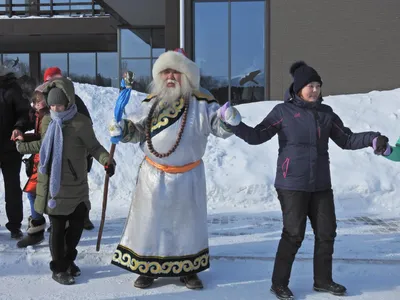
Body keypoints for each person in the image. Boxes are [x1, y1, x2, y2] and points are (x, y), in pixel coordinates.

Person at [223, 61, 389, 299]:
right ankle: (278, 283)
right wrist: (234, 124)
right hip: (291, 184)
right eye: (310, 85)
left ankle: (323, 280)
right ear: (298, 88)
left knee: (326, 232)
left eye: (318, 86)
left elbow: (346, 139)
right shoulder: (283, 112)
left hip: (321, 184)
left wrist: (373, 138)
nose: (314, 90)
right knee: (293, 234)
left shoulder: (326, 114)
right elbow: (257, 136)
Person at [109, 49, 237, 289]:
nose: (170, 76)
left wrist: (228, 119)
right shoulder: (151, 101)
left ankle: (189, 270)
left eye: (176, 71)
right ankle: (147, 268)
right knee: (150, 224)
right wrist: (122, 130)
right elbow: (138, 132)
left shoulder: (202, 102)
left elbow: (218, 127)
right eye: (166, 71)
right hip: (152, 176)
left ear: (186, 74)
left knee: (186, 226)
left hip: (188, 177)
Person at [34, 77, 115, 285]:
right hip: (55, 185)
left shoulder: (80, 123)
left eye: (59, 105)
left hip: (77, 186)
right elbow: (42, 146)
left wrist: (107, 161)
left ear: (69, 102)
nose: (55, 109)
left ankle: (69, 259)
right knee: (58, 228)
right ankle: (59, 268)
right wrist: (21, 142)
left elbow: (94, 147)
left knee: (77, 225)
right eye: (52, 105)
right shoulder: (47, 121)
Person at [41, 67, 95, 231]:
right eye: (49, 80)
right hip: (54, 153)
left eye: (55, 79)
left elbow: (86, 123)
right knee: (54, 185)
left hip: (76, 153)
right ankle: (57, 220)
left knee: (79, 186)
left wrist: (84, 149)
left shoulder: (73, 100)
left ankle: (83, 217)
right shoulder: (47, 101)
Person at [15, 86, 50, 247]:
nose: (37, 104)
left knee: (35, 194)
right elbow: (39, 136)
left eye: (39, 101)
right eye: (35, 101)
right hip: (40, 162)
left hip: (46, 163)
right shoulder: (40, 115)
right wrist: (24, 137)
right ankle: (41, 227)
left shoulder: (48, 116)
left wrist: (23, 146)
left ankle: (39, 228)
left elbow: (46, 143)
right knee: (36, 194)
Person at [0, 64, 32, 239]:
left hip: (10, 148)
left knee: (12, 188)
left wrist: (19, 127)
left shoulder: (12, 88)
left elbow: (24, 113)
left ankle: (14, 225)